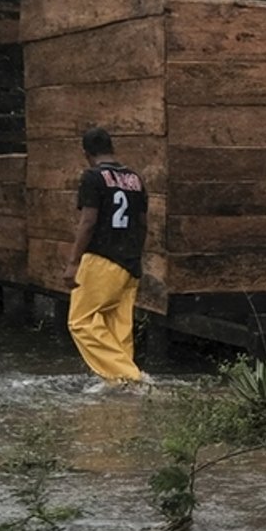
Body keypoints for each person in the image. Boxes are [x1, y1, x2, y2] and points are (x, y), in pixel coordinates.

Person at [62, 126, 150, 386]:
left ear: (86, 153)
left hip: (101, 258)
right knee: (118, 326)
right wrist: (136, 256)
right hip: (129, 262)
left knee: (81, 321)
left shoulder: (93, 177)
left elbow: (88, 221)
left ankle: (131, 377)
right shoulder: (135, 179)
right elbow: (143, 222)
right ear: (112, 148)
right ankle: (119, 390)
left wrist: (73, 262)